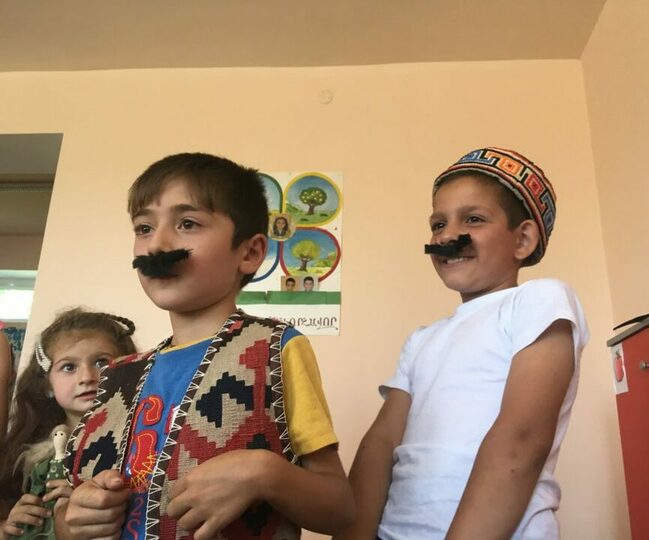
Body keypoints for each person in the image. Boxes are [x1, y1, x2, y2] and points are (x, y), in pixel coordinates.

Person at [59, 153, 353, 540]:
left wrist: (264, 472)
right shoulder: (116, 375)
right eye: (144, 228)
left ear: (250, 253)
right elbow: (69, 511)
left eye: (187, 223)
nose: (157, 244)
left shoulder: (274, 349)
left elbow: (341, 510)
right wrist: (74, 519)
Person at [339, 147, 589, 539]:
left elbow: (521, 440)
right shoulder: (421, 340)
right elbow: (380, 443)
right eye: (438, 224)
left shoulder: (540, 300)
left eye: (473, 219)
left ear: (522, 239)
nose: (447, 236)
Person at [0, 308, 137, 540]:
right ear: (46, 384)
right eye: (69, 367)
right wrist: (8, 526)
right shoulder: (27, 452)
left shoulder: (142, 437)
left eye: (101, 362)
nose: (87, 377)